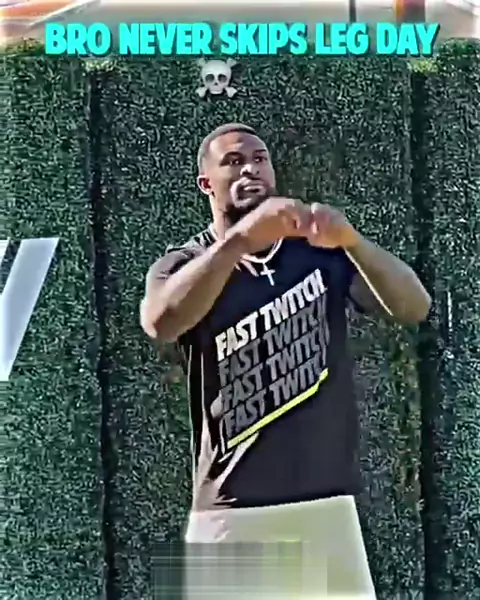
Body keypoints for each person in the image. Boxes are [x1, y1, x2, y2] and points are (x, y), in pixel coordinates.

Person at [141, 123, 431, 599]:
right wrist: (238, 242)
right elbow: (160, 323)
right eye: (234, 162)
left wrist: (353, 242)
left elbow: (413, 307)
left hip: (327, 506)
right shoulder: (185, 262)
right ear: (206, 183)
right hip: (230, 511)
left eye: (260, 159)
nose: (250, 170)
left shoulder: (317, 254)